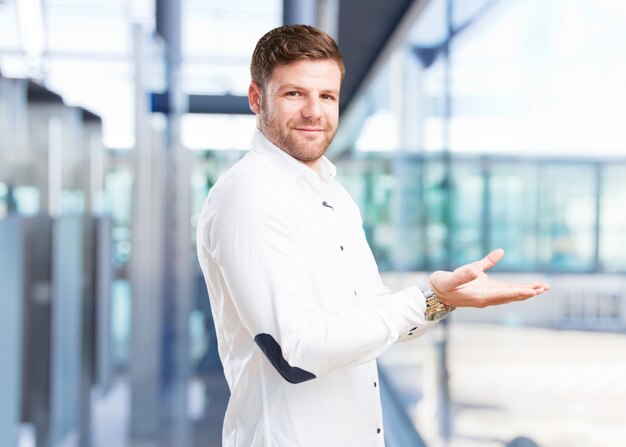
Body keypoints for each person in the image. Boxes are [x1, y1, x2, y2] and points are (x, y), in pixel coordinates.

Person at [196, 24, 550, 447]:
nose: (314, 111)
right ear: (257, 99)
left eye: (326, 96)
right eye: (294, 94)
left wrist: (441, 299)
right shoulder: (249, 194)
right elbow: (297, 352)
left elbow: (368, 316)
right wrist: (418, 301)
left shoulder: (333, 195)